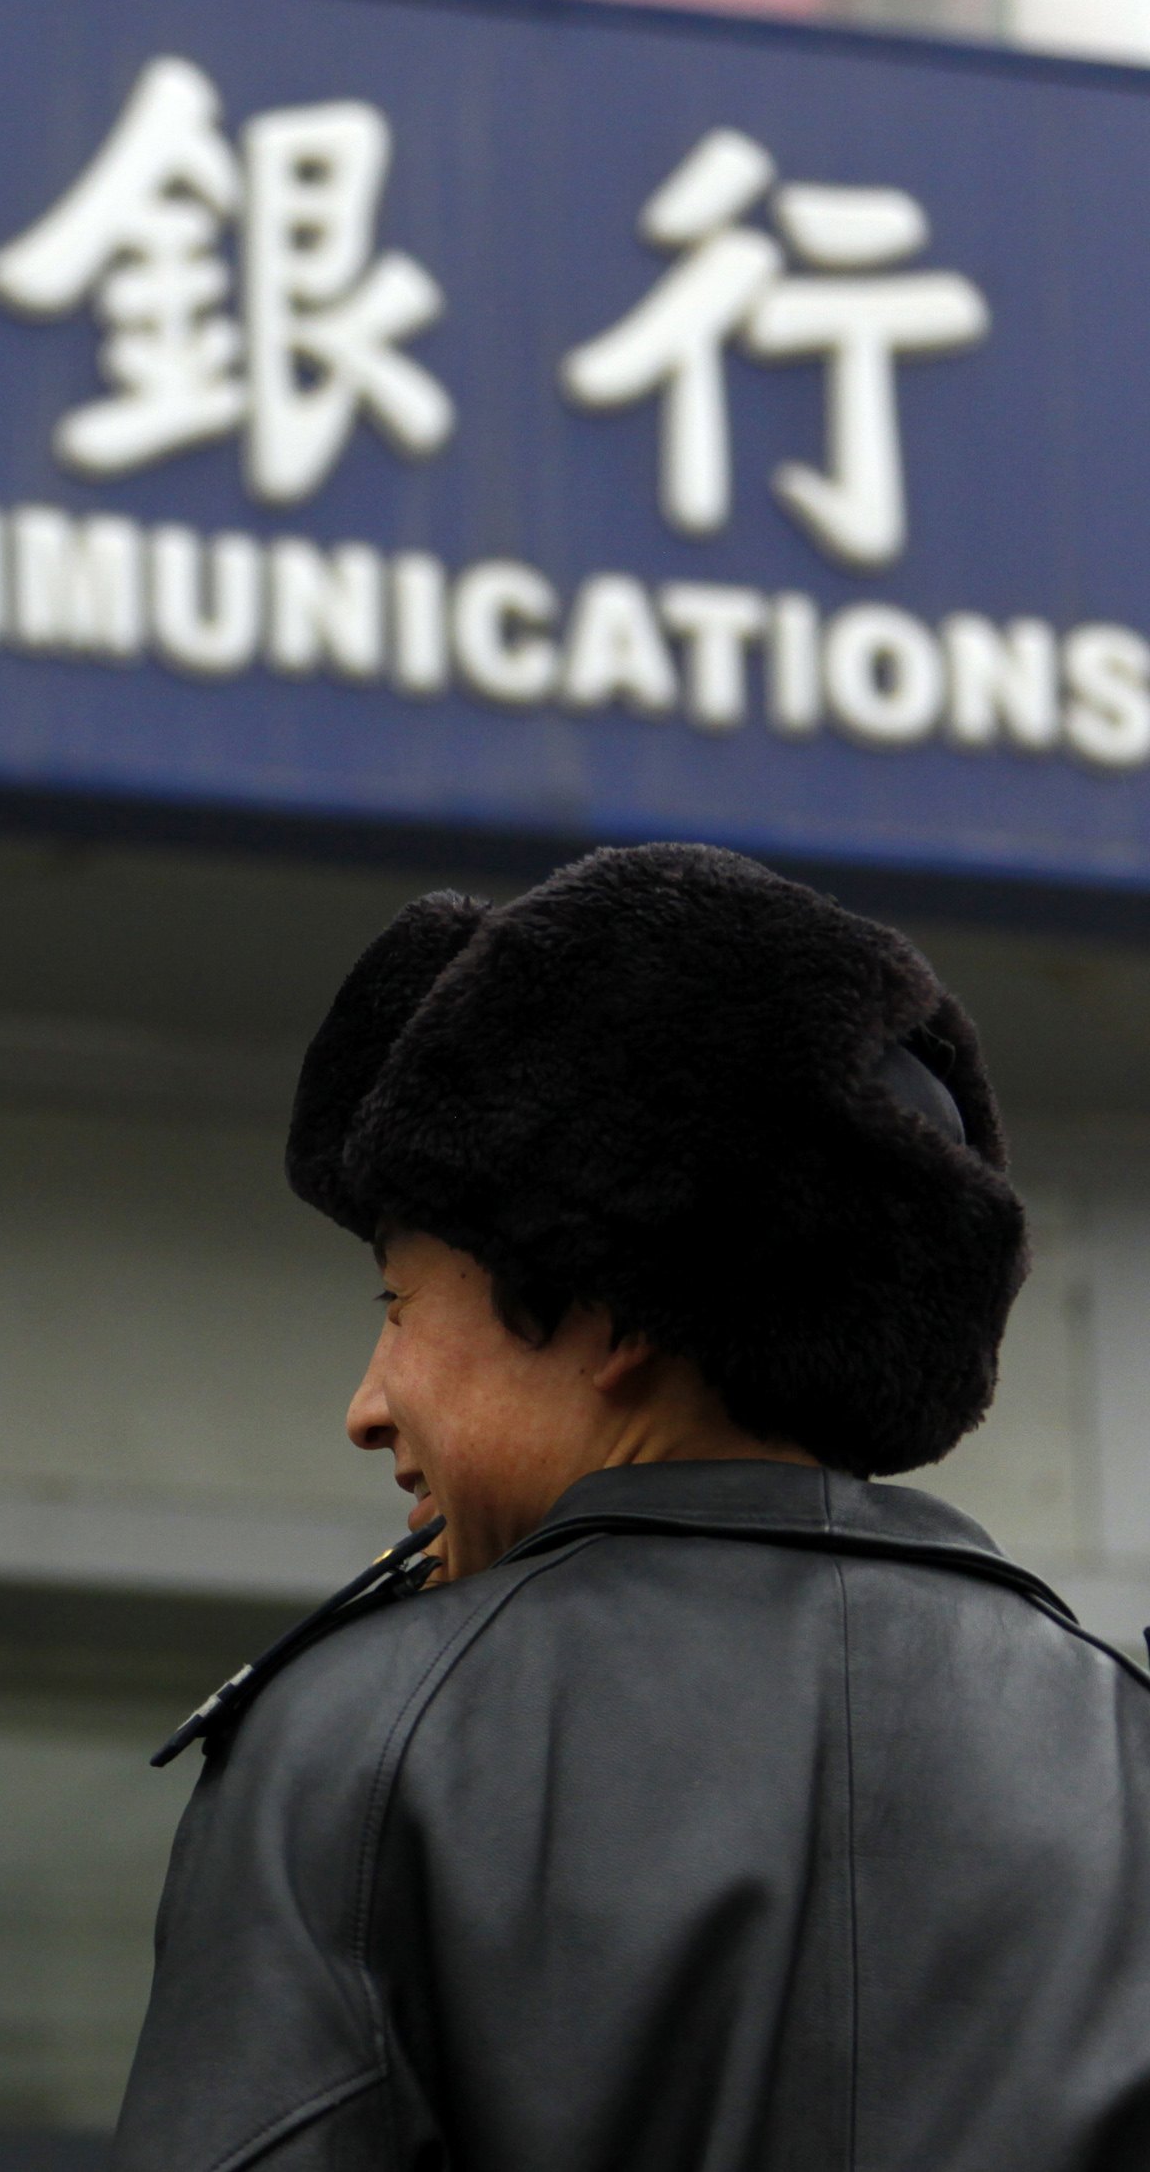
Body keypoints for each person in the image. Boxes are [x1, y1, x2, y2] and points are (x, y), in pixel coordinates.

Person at [113, 842, 1150, 2168]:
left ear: (604, 1312)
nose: (368, 1403)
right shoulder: (1124, 1752)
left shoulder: (363, 1746)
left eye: (398, 1305)